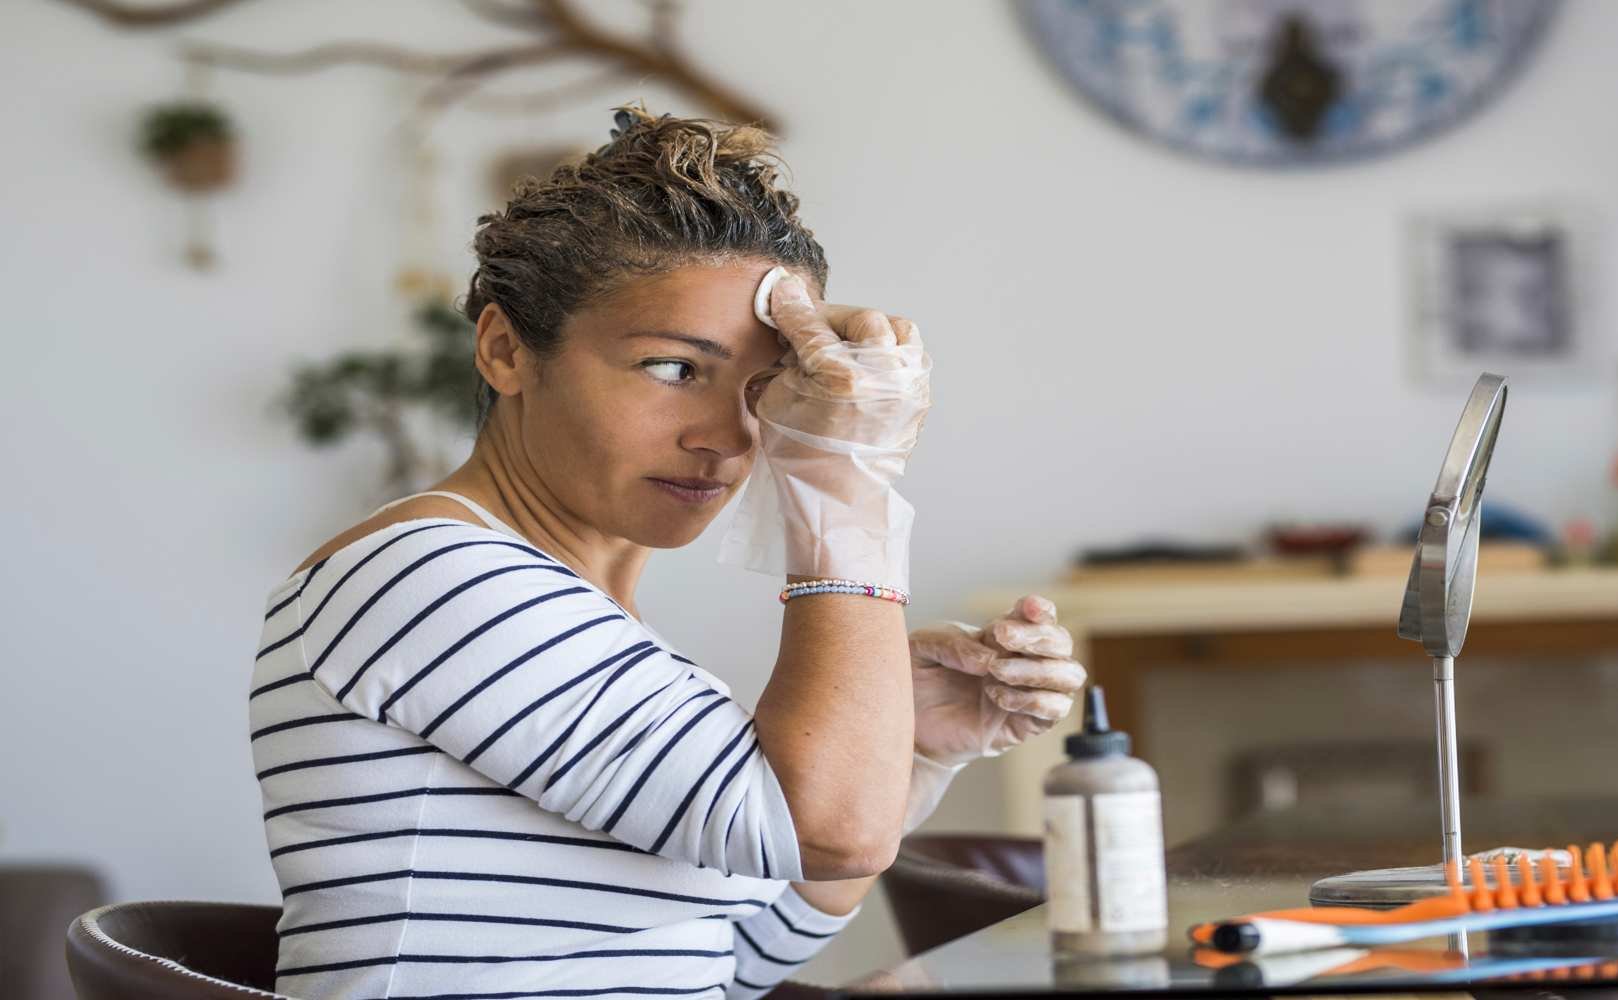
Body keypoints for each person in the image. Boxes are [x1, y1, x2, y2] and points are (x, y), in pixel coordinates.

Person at [247, 106, 1085, 1000]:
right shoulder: (428, 578)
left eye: (765, 387)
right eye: (674, 369)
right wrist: (843, 486)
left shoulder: (576, 617)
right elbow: (833, 830)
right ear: (504, 349)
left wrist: (908, 749)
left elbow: (738, 955)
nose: (728, 435)